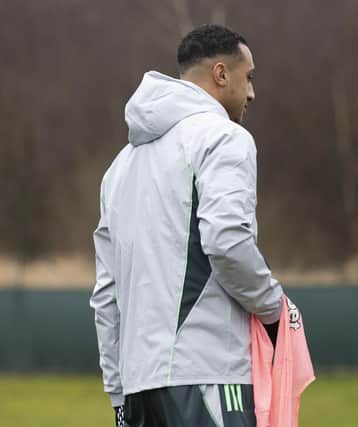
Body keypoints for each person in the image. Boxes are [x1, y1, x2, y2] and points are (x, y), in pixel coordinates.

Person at [90, 24, 283, 427]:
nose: (252, 93)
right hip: (208, 372)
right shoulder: (225, 138)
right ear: (220, 74)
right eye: (248, 78)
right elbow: (228, 241)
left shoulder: (118, 168)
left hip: (139, 389)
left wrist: (118, 392)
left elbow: (106, 295)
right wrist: (274, 310)